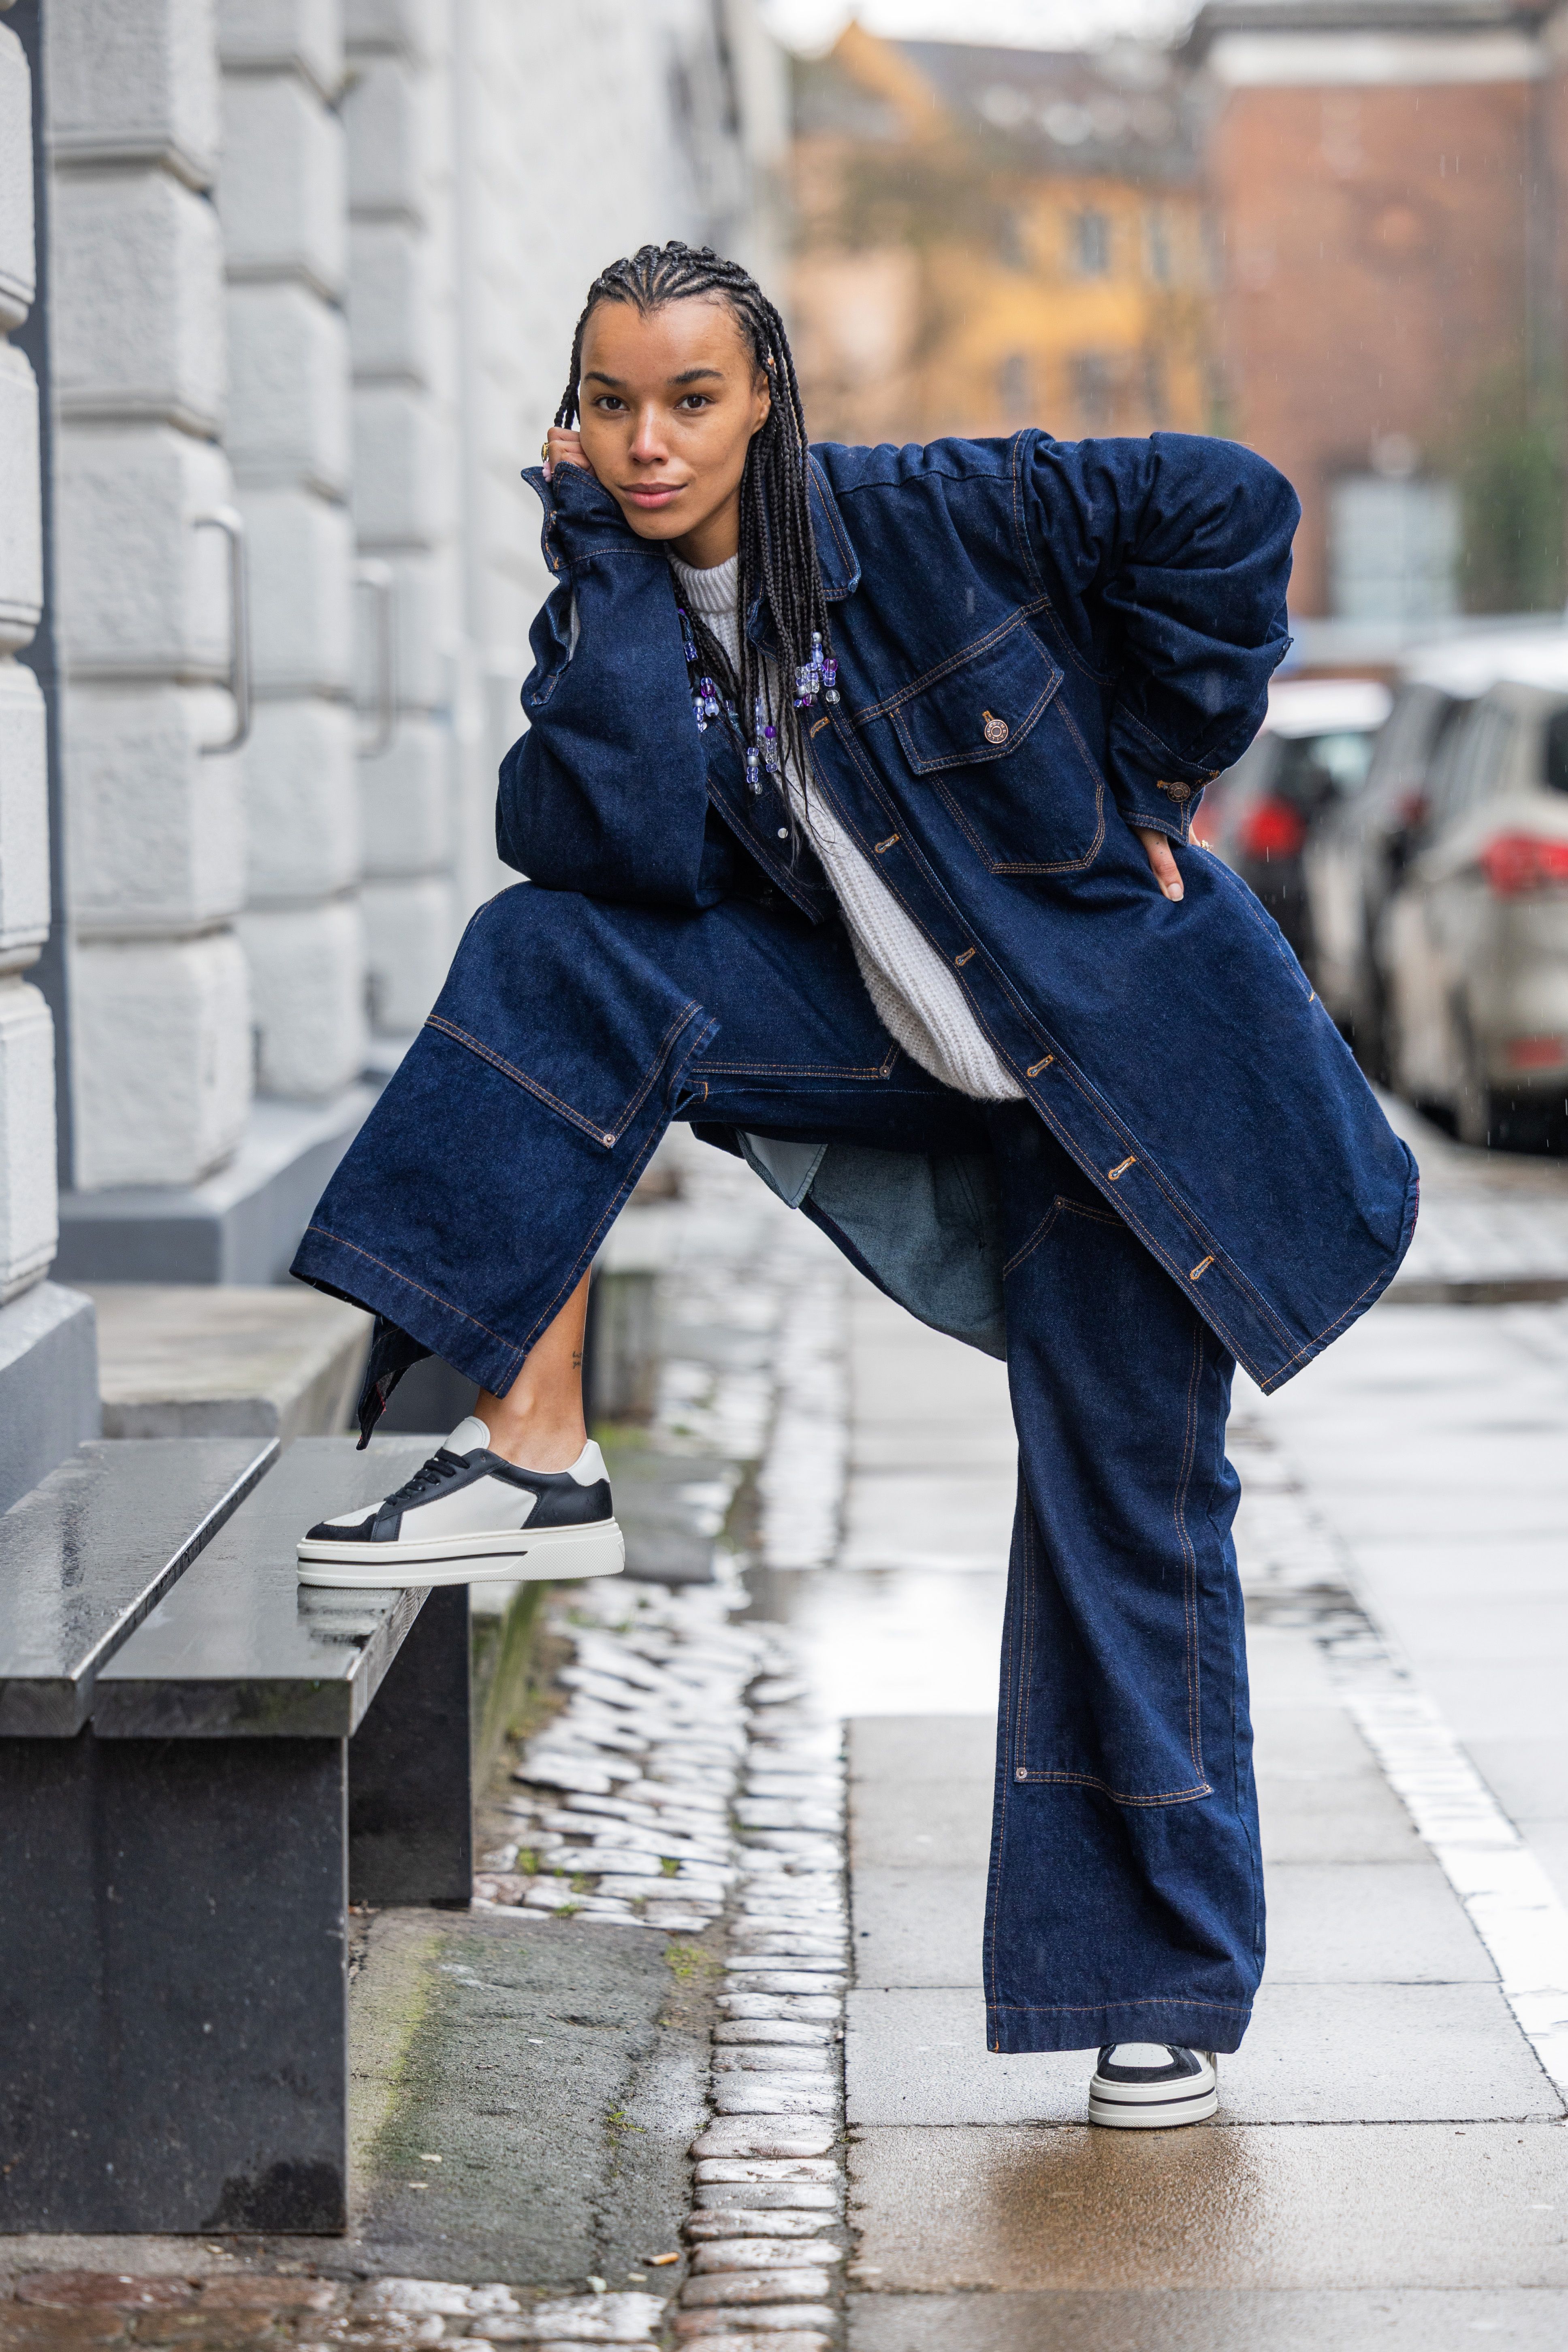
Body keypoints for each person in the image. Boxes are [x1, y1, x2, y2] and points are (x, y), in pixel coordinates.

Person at [290, 241, 1417, 2127]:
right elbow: (605, 847)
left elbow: (1231, 503)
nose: (649, 443)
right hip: (890, 1046)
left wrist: (1153, 775)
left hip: (1119, 1082)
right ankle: (536, 1449)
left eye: (691, 399)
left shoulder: (929, 508)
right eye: (610, 403)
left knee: (1122, 1511)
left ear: (766, 399)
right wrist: (594, 569)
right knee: (552, 951)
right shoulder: (624, 594)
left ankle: (1156, 1987)